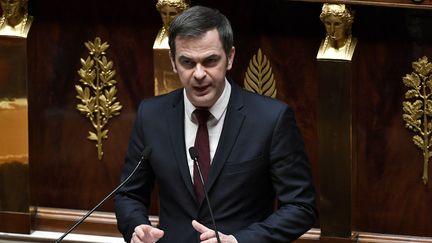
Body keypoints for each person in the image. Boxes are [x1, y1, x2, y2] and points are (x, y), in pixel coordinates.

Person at [115, 5, 317, 243]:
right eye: (187, 62)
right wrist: (137, 227)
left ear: (229, 58)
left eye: (210, 61)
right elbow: (128, 194)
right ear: (173, 62)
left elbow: (301, 207)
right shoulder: (151, 115)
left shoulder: (271, 119)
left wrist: (239, 241)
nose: (199, 74)